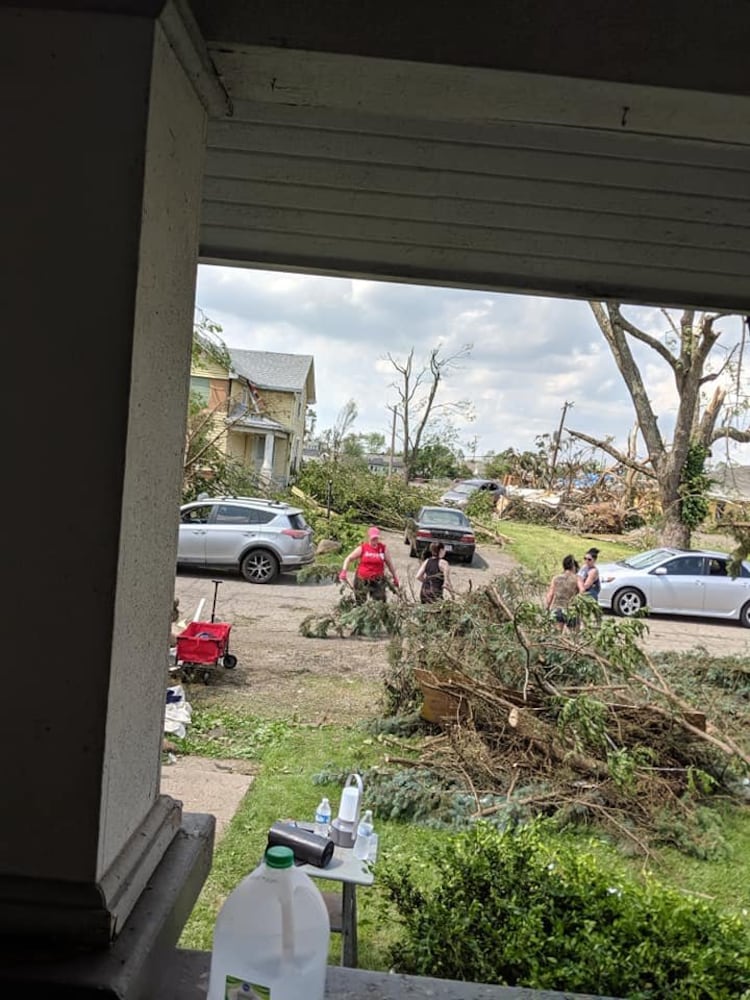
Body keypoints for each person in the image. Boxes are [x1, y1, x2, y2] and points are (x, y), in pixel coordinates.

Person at [339, 526, 399, 603]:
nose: (374, 540)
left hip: (378, 580)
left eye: (376, 538)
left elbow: (389, 564)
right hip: (362, 579)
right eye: (373, 538)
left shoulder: (383, 548)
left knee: (379, 602)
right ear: (369, 537)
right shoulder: (363, 548)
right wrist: (344, 571)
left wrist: (395, 577)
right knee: (360, 601)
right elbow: (348, 558)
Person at [545, 554, 581, 629]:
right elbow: (583, 591)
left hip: (557, 609)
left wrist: (547, 608)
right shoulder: (577, 578)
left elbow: (550, 595)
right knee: (574, 637)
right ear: (573, 567)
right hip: (571, 610)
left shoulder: (556, 578)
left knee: (557, 635)